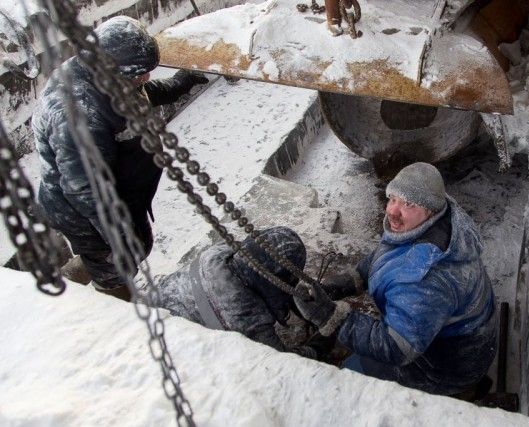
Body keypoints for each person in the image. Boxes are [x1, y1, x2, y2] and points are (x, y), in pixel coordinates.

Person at [32, 16, 209, 300]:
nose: (146, 77)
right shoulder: (77, 111)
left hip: (122, 195)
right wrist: (118, 235)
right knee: (116, 266)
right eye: (140, 72)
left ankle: (80, 271)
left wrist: (181, 82)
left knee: (137, 247)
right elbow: (84, 189)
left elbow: (143, 93)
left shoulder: (111, 75)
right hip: (86, 212)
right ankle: (114, 306)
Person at [294, 162, 498, 398]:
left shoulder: (422, 280)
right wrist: (349, 282)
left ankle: (459, 394)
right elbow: (391, 251)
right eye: (392, 198)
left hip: (444, 370)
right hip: (471, 343)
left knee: (349, 376)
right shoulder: (438, 219)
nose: (392, 211)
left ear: (430, 210)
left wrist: (332, 318)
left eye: (408, 204)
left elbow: (397, 347)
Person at [153, 226, 334, 361]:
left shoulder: (216, 253)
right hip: (169, 360)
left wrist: (290, 295)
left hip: (146, 315)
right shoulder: (249, 318)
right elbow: (280, 361)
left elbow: (265, 271)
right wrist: (317, 347)